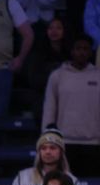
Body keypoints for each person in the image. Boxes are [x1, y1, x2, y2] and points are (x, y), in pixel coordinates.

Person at [41, 35, 100, 174]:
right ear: (72, 51)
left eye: (85, 49)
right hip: (64, 142)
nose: (82, 52)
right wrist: (47, 137)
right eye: (78, 48)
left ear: (91, 52)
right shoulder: (58, 75)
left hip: (94, 142)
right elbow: (50, 106)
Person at [12, 129, 84, 185]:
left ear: (61, 152)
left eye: (53, 148)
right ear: (39, 152)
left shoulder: (72, 181)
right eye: (43, 148)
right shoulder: (22, 177)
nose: (48, 152)